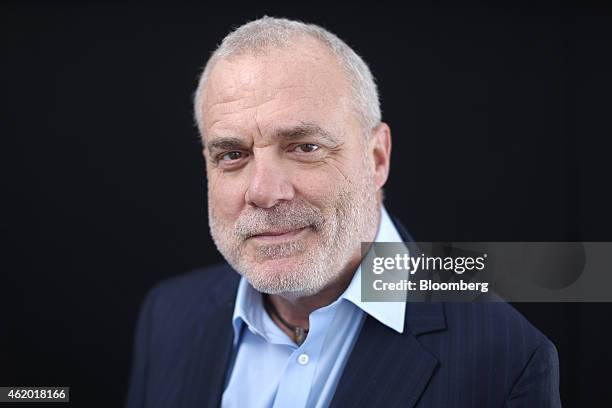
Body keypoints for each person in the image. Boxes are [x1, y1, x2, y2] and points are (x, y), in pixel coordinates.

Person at [126, 16, 561, 407]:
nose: (263, 191)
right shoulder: (167, 316)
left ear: (377, 158)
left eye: (304, 147)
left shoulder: (507, 360)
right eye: (233, 154)